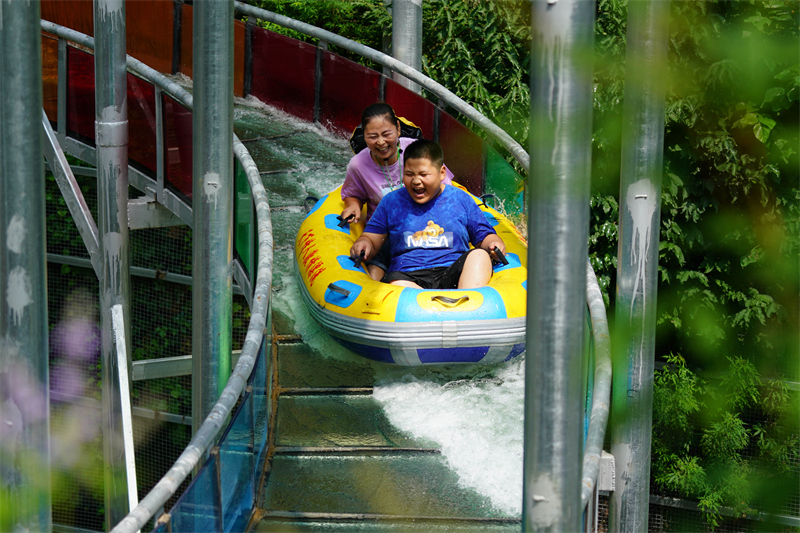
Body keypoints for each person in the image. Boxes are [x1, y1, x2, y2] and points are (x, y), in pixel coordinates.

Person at [350, 140, 505, 290]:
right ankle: (426, 305)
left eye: (424, 174)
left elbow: (484, 236)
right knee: (395, 282)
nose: (416, 181)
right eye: (409, 174)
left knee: (480, 255)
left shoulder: (460, 199)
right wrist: (364, 243)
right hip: (408, 276)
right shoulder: (391, 202)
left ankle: (466, 302)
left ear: (442, 173)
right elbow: (371, 238)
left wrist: (494, 243)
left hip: (452, 273)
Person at [341, 103, 453, 280]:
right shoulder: (358, 165)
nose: (381, 142)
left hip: (425, 225)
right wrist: (353, 205)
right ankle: (372, 289)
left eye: (386, 134)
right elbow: (352, 193)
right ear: (364, 136)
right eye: (372, 136)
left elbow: (446, 189)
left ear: (398, 129)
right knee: (381, 253)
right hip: (385, 231)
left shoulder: (416, 152)